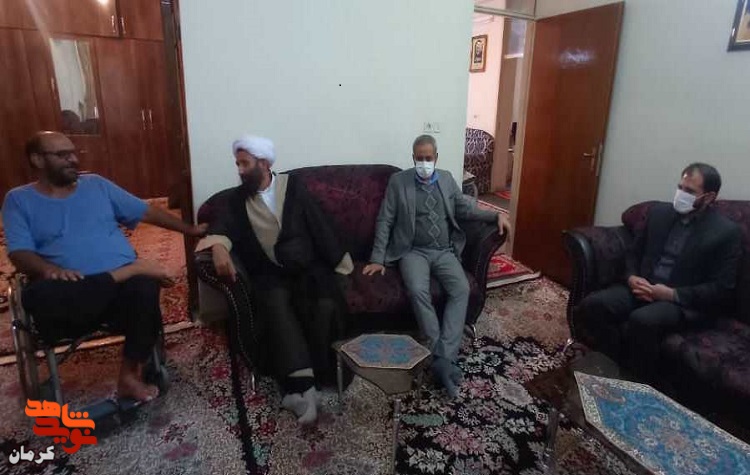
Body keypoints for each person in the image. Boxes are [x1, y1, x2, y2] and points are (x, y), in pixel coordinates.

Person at [2, 131, 207, 401]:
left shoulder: (96, 185)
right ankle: (131, 270)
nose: (73, 159)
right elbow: (18, 252)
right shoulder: (18, 200)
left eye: (73, 153)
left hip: (121, 297)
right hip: (70, 297)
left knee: (144, 287)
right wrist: (46, 269)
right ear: (37, 160)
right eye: (62, 155)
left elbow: (144, 211)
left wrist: (189, 229)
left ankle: (129, 377)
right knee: (38, 295)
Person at [196, 135, 353, 424]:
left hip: (307, 268)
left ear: (264, 164)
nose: (240, 170)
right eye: (238, 164)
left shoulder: (293, 187)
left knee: (324, 302)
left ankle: (317, 378)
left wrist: (341, 263)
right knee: (275, 302)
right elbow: (221, 226)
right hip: (269, 272)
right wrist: (218, 247)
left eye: (245, 164)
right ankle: (303, 387)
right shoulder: (237, 199)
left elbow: (319, 224)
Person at [363, 134, 510, 397]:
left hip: (443, 251)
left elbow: (465, 209)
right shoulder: (399, 182)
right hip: (412, 252)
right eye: (419, 158)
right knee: (417, 290)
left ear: (436, 157)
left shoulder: (446, 179)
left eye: (428, 158)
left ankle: (444, 357)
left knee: (461, 289)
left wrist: (495, 214)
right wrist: (377, 258)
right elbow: (385, 220)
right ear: (413, 158)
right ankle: (435, 349)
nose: (424, 163)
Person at [575, 163, 743, 380]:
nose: (681, 194)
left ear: (709, 197)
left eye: (690, 191)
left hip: (681, 301)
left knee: (642, 320)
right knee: (594, 304)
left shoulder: (726, 233)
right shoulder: (659, 213)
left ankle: (640, 383)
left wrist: (670, 294)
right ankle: (614, 367)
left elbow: (722, 288)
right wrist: (632, 277)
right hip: (644, 286)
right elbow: (633, 253)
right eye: (680, 187)